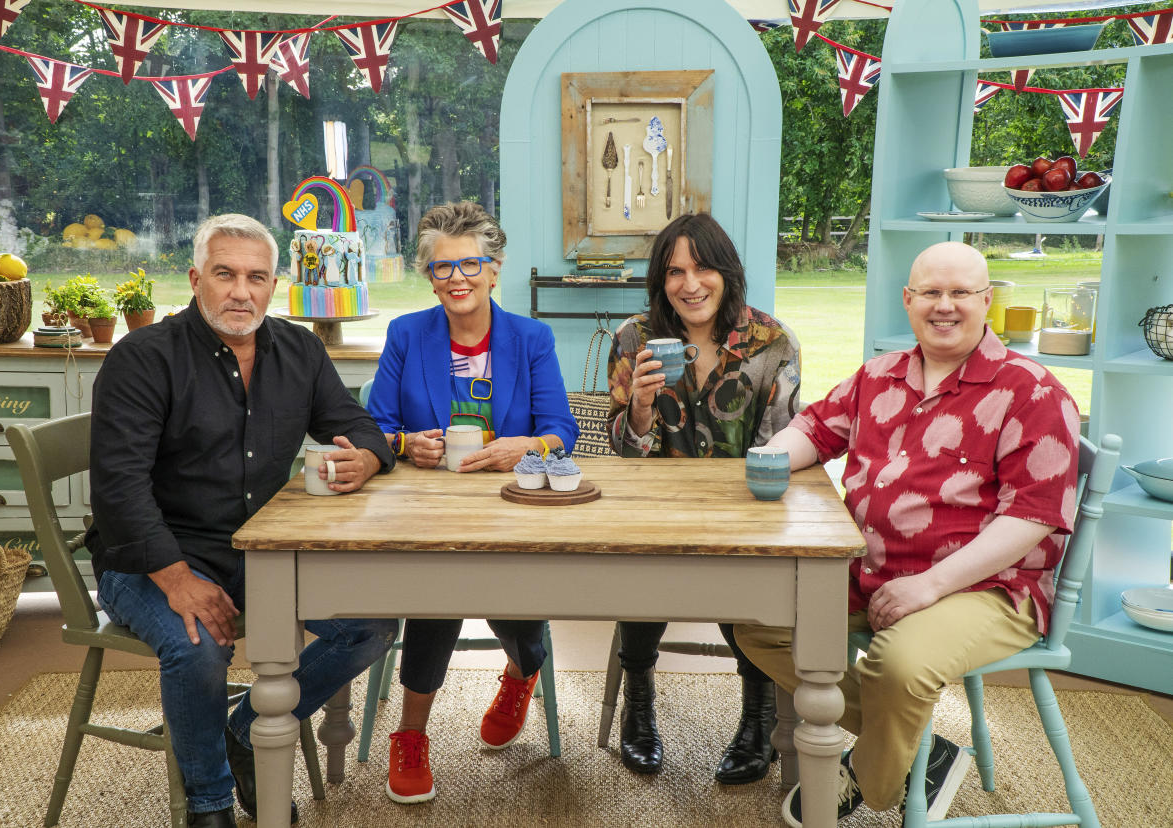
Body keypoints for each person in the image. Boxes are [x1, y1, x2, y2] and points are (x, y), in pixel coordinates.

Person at [734, 241, 1081, 826]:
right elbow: (815, 429)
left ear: (986, 301)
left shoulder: (1033, 391)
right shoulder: (880, 376)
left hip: (988, 585)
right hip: (871, 570)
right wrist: (768, 460)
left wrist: (931, 586)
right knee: (760, 624)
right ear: (908, 300)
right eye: (931, 293)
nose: (944, 306)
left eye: (960, 293)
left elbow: (1034, 516)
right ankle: (906, 740)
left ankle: (875, 775)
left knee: (898, 667)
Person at [85, 214, 398, 828]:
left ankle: (249, 730)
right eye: (225, 274)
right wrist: (177, 580)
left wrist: (365, 456)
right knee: (198, 647)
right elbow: (118, 491)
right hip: (152, 557)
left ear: (275, 287)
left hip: (263, 551)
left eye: (256, 278)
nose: (241, 291)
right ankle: (209, 804)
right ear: (197, 278)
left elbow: (357, 425)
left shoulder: (299, 348)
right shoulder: (142, 359)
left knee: (372, 622)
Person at [366, 201, 580, 805]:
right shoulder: (407, 334)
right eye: (442, 269)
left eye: (470, 265)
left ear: (494, 269)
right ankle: (410, 734)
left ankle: (520, 671)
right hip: (428, 511)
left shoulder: (531, 338)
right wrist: (409, 444)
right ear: (428, 276)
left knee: (514, 592)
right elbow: (374, 427)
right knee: (438, 590)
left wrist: (525, 446)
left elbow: (563, 428)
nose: (457, 279)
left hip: (513, 507)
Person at [605, 212, 802, 783]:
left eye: (703, 267)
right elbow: (622, 452)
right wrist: (640, 408)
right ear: (660, 282)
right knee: (641, 569)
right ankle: (638, 703)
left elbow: (783, 441)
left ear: (727, 270)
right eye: (674, 271)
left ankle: (758, 716)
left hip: (743, 513)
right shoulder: (634, 339)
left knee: (753, 588)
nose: (690, 284)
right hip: (655, 512)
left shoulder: (771, 343)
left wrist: (739, 511)